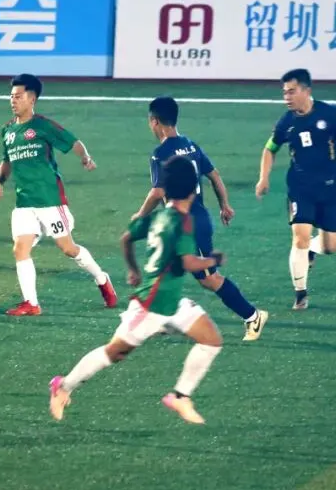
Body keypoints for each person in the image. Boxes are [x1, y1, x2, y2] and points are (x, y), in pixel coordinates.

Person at [49, 157, 225, 425]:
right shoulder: (183, 222)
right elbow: (188, 262)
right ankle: (63, 386)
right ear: (194, 189)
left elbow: (126, 237)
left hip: (171, 302)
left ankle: (180, 396)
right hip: (151, 305)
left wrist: (133, 269)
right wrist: (213, 260)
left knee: (211, 339)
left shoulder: (158, 216)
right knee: (115, 352)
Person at [134, 96, 268, 341]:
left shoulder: (160, 154)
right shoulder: (191, 146)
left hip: (189, 225)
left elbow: (157, 192)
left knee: (209, 279)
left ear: (154, 122)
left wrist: (140, 215)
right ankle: (160, 317)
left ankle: (252, 315)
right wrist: (224, 204)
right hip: (190, 220)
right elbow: (214, 175)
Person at [0, 73, 117, 316]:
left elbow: (73, 142)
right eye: (11, 96)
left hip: (50, 200)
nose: (13, 101)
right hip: (24, 203)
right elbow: (6, 161)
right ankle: (31, 303)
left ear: (32, 99)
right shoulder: (7, 130)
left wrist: (85, 157)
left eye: (18, 96)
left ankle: (101, 279)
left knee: (68, 248)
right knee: (20, 249)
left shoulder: (43, 126)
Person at [255, 68, 336, 310]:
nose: (287, 97)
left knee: (330, 247)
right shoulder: (286, 122)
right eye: (284, 93)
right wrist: (264, 178)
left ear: (306, 91)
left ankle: (313, 249)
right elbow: (270, 149)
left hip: (331, 191)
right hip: (300, 189)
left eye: (291, 92)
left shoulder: (332, 114)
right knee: (299, 237)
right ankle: (300, 293)